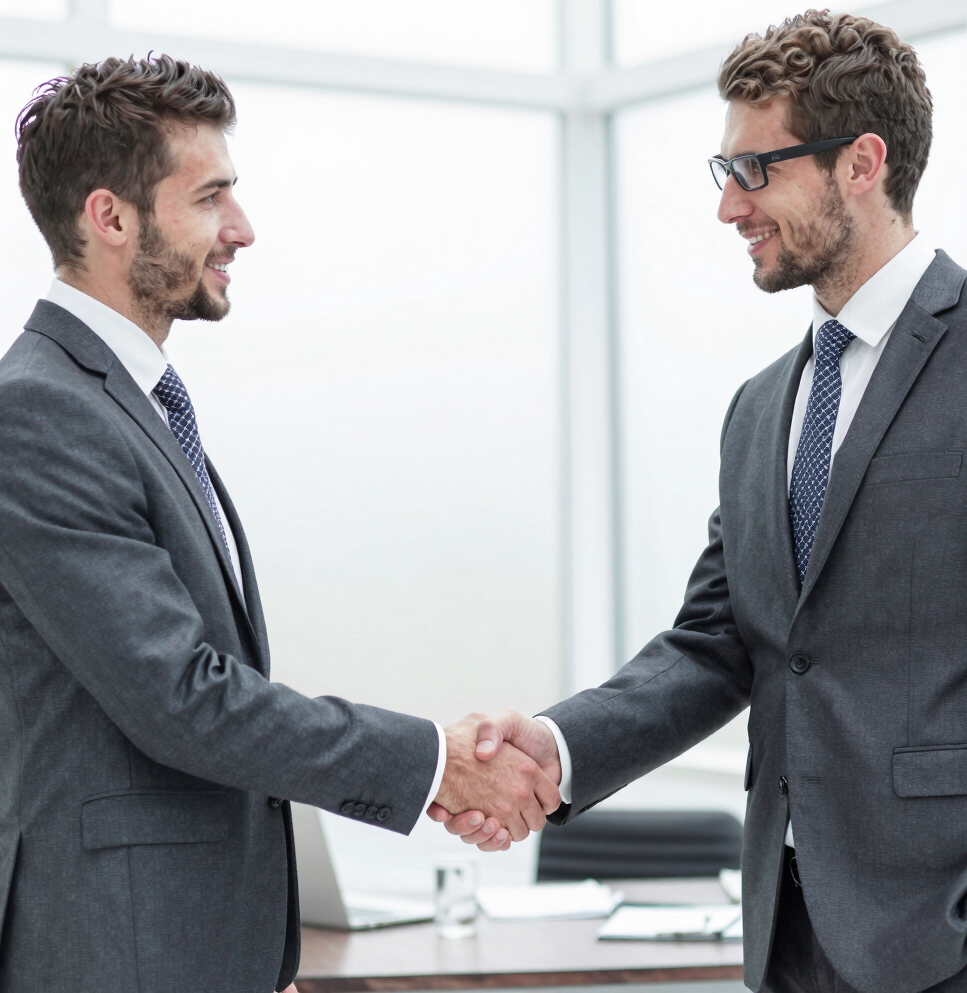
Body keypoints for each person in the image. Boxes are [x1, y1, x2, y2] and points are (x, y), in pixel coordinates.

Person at [434, 11, 967, 993]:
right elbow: (715, 644)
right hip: (784, 930)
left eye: (755, 170)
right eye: (726, 174)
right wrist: (555, 747)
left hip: (953, 942)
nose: (728, 209)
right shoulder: (761, 407)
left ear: (860, 163)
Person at [0, 55, 556, 993]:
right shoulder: (42, 412)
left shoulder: (131, 404)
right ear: (110, 217)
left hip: (184, 948)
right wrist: (434, 763)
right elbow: (180, 696)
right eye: (211, 197)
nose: (242, 230)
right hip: (117, 954)